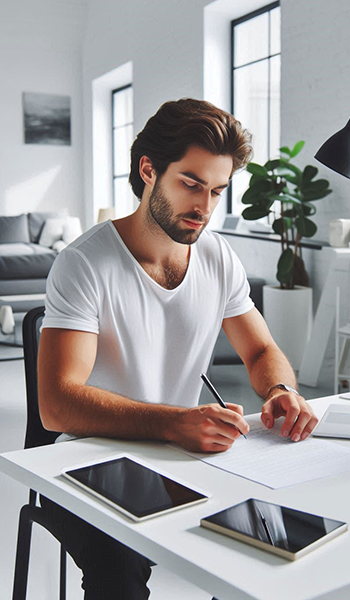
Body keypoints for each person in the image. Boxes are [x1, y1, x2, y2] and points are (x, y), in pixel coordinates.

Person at [37, 98, 318, 599]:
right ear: (149, 170)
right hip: (88, 459)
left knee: (269, 550)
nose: (204, 208)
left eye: (217, 190)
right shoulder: (84, 265)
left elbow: (260, 352)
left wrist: (279, 390)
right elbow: (58, 405)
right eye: (191, 184)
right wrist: (172, 421)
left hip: (183, 455)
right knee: (119, 578)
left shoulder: (216, 256)